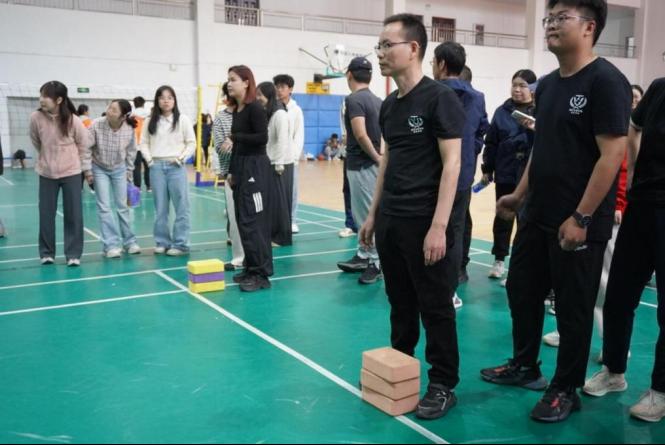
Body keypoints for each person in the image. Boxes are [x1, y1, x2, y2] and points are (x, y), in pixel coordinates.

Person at [480, 0, 632, 423]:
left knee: (572, 308)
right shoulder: (546, 86)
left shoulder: (607, 81)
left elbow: (612, 154)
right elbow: (542, 148)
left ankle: (565, 388)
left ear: (589, 27)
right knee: (521, 290)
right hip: (537, 214)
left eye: (561, 17)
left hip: (578, 221)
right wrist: (519, 196)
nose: (550, 25)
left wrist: (582, 217)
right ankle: (525, 365)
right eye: (549, 18)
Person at [360, 13, 465, 419]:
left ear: (414, 48)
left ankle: (443, 383)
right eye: (379, 45)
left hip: (425, 221)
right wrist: (373, 214)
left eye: (388, 45)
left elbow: (452, 164)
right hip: (392, 220)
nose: (381, 53)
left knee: (435, 306)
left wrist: (439, 226)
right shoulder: (389, 105)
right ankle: (400, 368)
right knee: (399, 302)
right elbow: (388, 160)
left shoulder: (440, 98)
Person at [582, 78, 665, 422]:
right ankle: (614, 372)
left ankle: (660, 391)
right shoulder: (659, 89)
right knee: (618, 296)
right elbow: (635, 127)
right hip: (642, 206)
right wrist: (631, 176)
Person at [432, 41, 490, 308]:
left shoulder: (431, 92)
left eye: (433, 62)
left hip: (434, 175)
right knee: (455, 231)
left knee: (430, 228)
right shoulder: (478, 97)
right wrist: (470, 152)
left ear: (442, 64)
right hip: (464, 175)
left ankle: (431, 286)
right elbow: (483, 130)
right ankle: (450, 289)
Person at [480, 69, 537, 280]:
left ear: (533, 89)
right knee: (503, 218)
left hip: (528, 177)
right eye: (514, 85)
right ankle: (499, 260)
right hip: (505, 173)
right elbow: (491, 142)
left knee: (525, 222)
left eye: (522, 86)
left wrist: (534, 128)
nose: (517, 89)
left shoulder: (540, 111)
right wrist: (487, 169)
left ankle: (520, 267)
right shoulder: (502, 112)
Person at [30, 81, 92, 266]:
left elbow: (83, 145)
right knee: (46, 214)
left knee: (74, 215)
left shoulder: (73, 120)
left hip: (71, 173)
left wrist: (84, 169)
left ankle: (73, 254)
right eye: (41, 95)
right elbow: (36, 141)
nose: (42, 99)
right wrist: (47, 157)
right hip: (46, 173)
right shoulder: (36, 117)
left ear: (59, 100)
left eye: (46, 96)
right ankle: (46, 253)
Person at [336, 56, 384, 285]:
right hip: (368, 165)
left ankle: (375, 261)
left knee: (365, 215)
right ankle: (364, 255)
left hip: (363, 165)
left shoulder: (354, 99)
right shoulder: (377, 100)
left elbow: (360, 133)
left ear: (349, 75)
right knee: (362, 213)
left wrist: (376, 158)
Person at [224, 66, 272, 292]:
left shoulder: (255, 108)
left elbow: (262, 138)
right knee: (243, 220)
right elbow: (237, 147)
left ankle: (262, 274)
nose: (229, 83)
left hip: (255, 168)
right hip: (241, 168)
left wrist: (236, 136)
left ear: (246, 82)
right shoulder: (237, 109)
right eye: (228, 79)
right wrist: (232, 172)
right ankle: (250, 268)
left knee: (255, 222)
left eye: (233, 79)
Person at [139, 85, 196, 256]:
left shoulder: (183, 120)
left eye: (170, 97)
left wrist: (180, 159)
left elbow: (191, 143)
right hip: (156, 167)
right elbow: (143, 143)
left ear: (174, 100)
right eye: (162, 97)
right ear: (157, 100)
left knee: (182, 207)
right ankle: (162, 242)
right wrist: (150, 161)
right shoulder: (149, 121)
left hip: (176, 167)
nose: (166, 101)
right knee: (160, 208)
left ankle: (181, 244)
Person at [88, 99, 141, 258]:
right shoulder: (96, 124)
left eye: (114, 110)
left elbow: (131, 151)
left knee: (123, 206)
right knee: (104, 207)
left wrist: (129, 170)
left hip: (119, 169)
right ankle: (110, 245)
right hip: (99, 168)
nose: (109, 111)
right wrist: (87, 171)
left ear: (123, 116)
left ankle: (130, 242)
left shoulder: (129, 128)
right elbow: (86, 148)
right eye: (109, 108)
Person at [213, 82, 244, 271]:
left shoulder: (250, 113)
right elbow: (220, 148)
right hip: (231, 175)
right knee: (234, 218)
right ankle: (239, 258)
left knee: (254, 218)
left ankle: (255, 256)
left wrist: (233, 141)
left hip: (252, 173)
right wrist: (237, 144)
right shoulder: (221, 118)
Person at [257, 81, 292, 247]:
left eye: (260, 95)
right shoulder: (269, 112)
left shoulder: (279, 114)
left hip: (280, 164)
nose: (258, 98)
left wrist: (278, 163)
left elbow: (282, 140)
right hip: (270, 162)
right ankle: (273, 234)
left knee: (280, 204)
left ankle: (282, 237)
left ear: (268, 95)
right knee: (272, 202)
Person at [274, 74, 304, 234]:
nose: (279, 90)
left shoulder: (296, 110)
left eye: (282, 87)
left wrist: (294, 156)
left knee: (291, 191)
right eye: (277, 87)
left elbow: (299, 135)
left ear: (290, 89)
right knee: (274, 190)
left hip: (290, 158)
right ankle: (276, 221)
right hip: (274, 157)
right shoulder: (272, 108)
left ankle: (292, 220)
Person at [132, 96, 151, 192]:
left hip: (136, 146)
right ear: (143, 104)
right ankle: (149, 186)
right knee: (148, 167)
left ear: (134, 104)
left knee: (136, 167)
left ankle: (137, 187)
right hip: (147, 146)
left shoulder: (131, 116)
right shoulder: (149, 115)